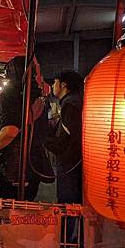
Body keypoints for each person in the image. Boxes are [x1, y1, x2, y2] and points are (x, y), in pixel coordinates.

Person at [0, 56, 41, 200]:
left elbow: (10, 131)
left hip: (13, 170)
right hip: (33, 168)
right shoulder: (34, 92)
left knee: (8, 216)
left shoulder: (11, 93)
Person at [44, 71, 84, 205]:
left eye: (54, 83)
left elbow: (68, 141)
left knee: (68, 204)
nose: (52, 86)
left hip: (70, 167)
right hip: (73, 166)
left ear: (63, 85)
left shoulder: (70, 105)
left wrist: (44, 141)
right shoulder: (75, 101)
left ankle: (69, 226)